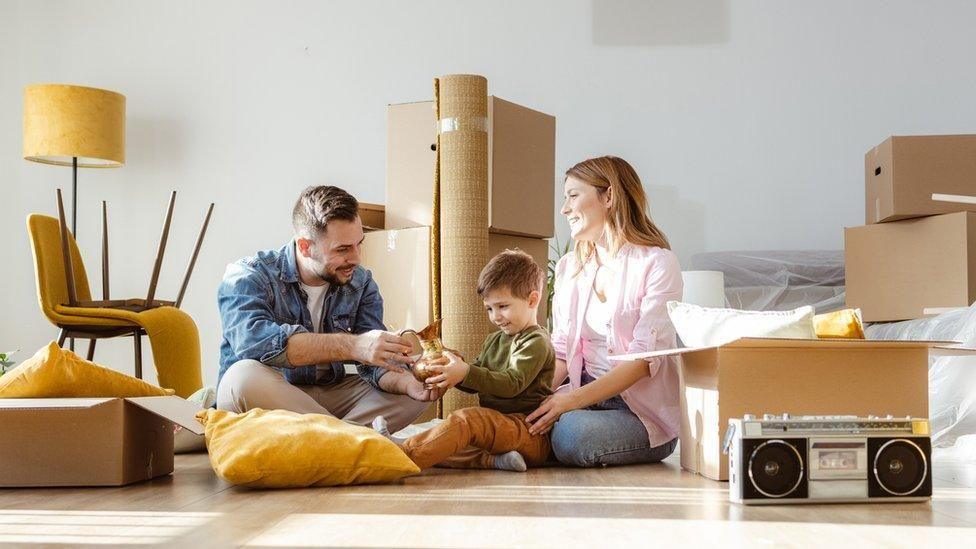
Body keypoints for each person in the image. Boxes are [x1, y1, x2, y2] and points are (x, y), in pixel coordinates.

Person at [216, 185, 436, 433]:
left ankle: (331, 441)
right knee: (242, 377)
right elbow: (254, 344)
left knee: (416, 388)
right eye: (343, 249)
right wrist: (355, 346)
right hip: (272, 396)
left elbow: (376, 364)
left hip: (326, 396)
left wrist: (409, 382)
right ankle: (351, 439)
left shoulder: (360, 283)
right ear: (305, 246)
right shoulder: (248, 275)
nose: (356, 258)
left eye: (358, 244)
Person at [525, 156, 683, 467]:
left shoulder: (658, 263)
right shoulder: (571, 267)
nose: (564, 209)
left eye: (573, 196)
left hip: (635, 413)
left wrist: (569, 403)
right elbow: (561, 349)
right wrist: (535, 400)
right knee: (520, 415)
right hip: (580, 394)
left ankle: (525, 445)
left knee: (572, 434)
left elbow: (642, 362)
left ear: (608, 196)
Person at [374, 250, 555, 472]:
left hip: (528, 431)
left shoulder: (536, 341)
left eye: (503, 306)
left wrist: (465, 372)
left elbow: (512, 383)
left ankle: (401, 455)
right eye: (489, 308)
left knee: (466, 422)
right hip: (498, 429)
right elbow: (475, 378)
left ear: (532, 299)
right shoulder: (494, 340)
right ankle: (494, 461)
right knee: (449, 440)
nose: (495, 316)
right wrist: (452, 371)